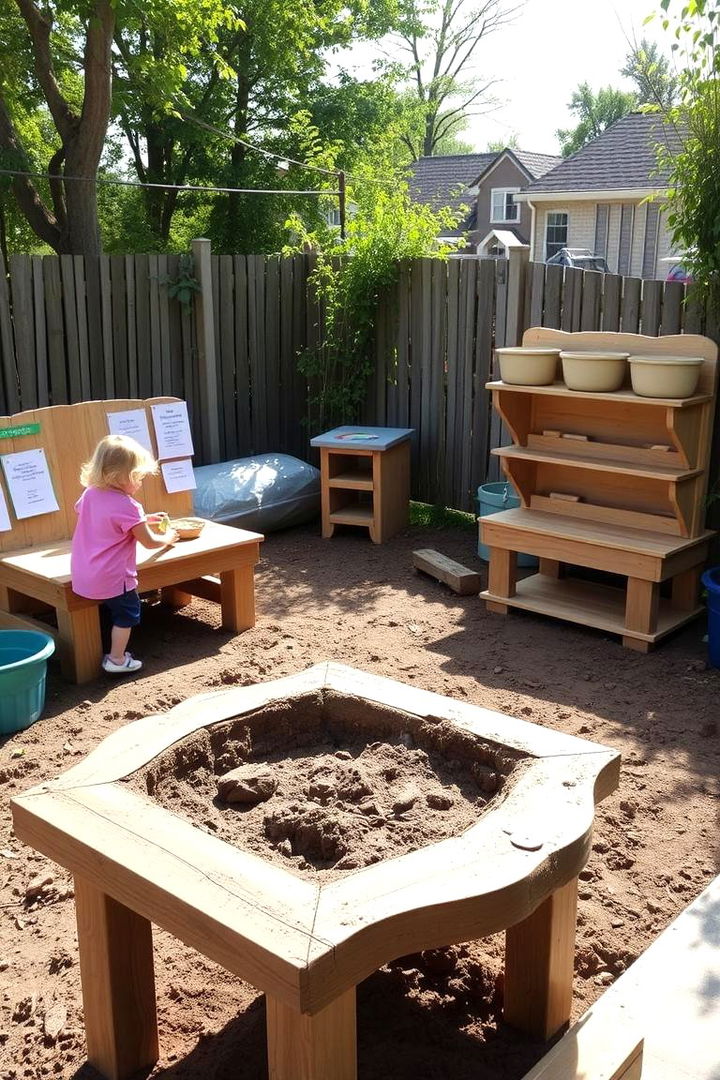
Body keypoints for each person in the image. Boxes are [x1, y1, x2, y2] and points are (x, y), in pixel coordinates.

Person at [71, 434, 178, 675]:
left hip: (84, 573)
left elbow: (104, 517)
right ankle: (117, 659)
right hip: (114, 578)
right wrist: (168, 538)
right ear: (121, 477)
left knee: (112, 609)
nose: (140, 483)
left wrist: (142, 520)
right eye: (138, 477)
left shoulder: (90, 493)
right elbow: (149, 542)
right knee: (128, 614)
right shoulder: (129, 506)